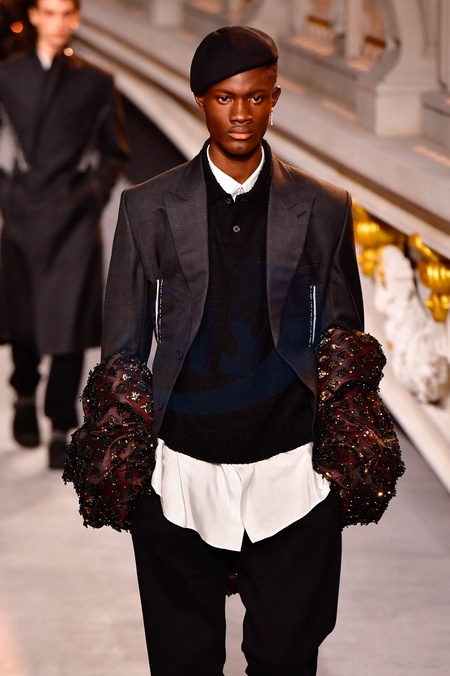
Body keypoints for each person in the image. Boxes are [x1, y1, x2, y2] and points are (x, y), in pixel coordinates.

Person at [70, 26, 402, 675]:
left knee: (286, 661)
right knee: (183, 663)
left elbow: (344, 348)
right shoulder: (146, 208)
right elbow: (122, 354)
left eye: (255, 97)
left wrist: (337, 476)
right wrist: (134, 483)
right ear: (201, 101)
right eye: (225, 98)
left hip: (293, 481)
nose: (241, 113)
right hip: (179, 481)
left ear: (275, 97)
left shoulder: (324, 207)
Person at [0, 0, 129, 468]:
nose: (58, 22)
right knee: (25, 319)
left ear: (75, 18)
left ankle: (59, 422)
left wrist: (91, 196)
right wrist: (7, 195)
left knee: (69, 325)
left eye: (65, 13)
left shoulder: (96, 81)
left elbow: (115, 151)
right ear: (35, 15)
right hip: (22, 217)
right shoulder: (7, 76)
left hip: (73, 219)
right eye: (49, 12)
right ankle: (23, 392)